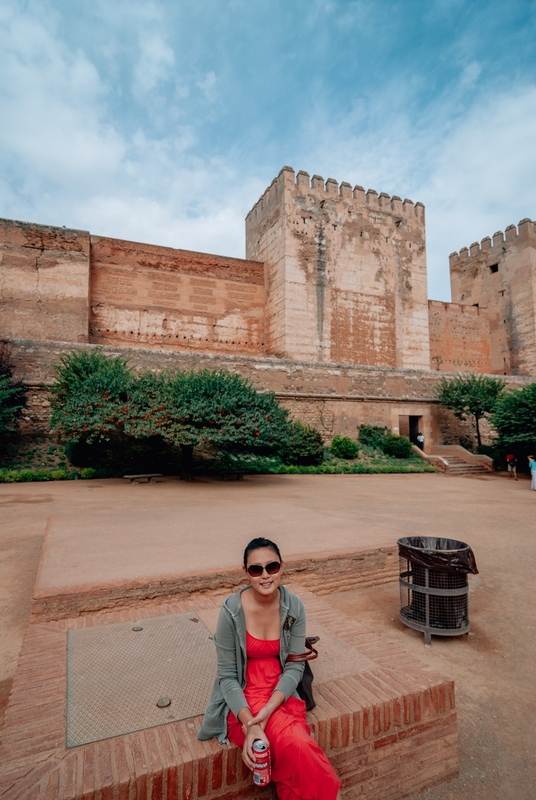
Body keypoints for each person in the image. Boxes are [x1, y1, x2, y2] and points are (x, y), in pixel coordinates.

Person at [198, 536, 341, 800]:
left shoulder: (293, 607)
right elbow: (227, 677)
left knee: (295, 749)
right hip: (244, 697)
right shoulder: (231, 612)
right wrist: (250, 724)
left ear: (282, 567)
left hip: (280, 693)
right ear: (246, 573)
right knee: (298, 745)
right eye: (256, 569)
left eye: (271, 567)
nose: (265, 575)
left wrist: (269, 709)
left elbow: (295, 667)